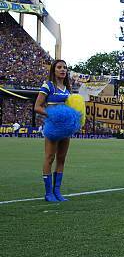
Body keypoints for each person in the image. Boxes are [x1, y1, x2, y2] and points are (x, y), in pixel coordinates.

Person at [34, 60, 72, 202]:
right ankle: (48, 193)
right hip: (53, 126)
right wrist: (52, 115)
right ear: (53, 70)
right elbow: (37, 107)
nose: (63, 70)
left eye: (65, 67)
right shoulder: (48, 86)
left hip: (66, 128)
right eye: (59, 67)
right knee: (50, 158)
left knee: (61, 159)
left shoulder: (67, 88)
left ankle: (57, 192)